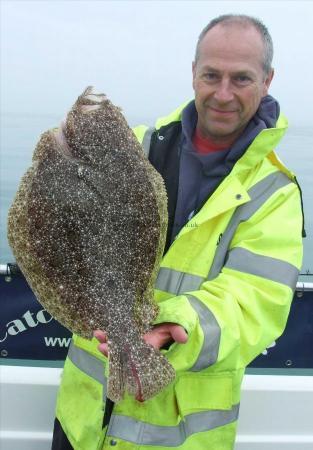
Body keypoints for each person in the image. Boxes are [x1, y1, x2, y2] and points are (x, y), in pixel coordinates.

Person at [51, 14, 304, 450]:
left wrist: (177, 324)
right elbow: (64, 226)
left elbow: (254, 301)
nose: (223, 94)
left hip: (172, 436)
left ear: (267, 81)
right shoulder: (134, 146)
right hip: (83, 419)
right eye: (211, 75)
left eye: (241, 78)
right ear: (193, 73)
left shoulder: (274, 193)